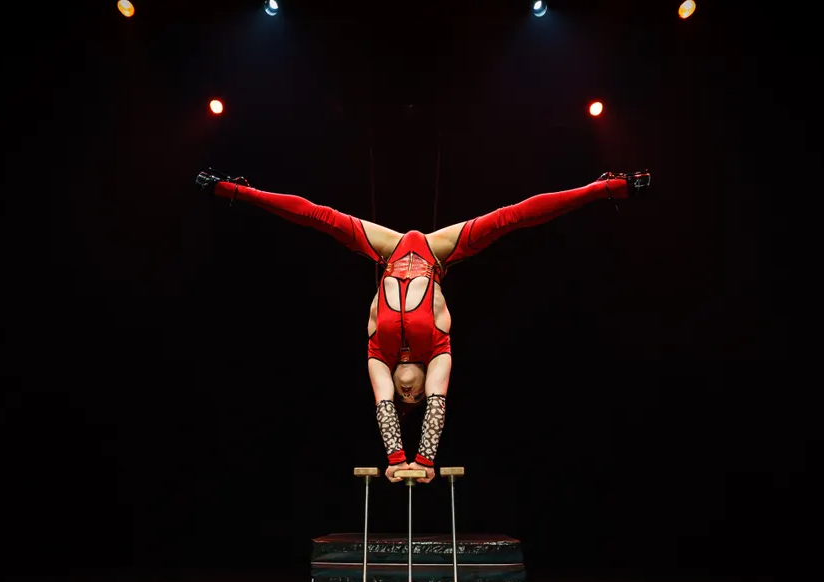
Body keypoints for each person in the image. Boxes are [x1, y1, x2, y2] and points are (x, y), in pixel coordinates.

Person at [196, 167, 651, 482]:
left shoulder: (378, 357)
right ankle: (604, 189)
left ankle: (236, 191)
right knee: (511, 218)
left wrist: (396, 458)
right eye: (413, 396)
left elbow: (383, 406)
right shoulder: (439, 353)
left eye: (404, 396)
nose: (408, 393)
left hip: (389, 250)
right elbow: (437, 403)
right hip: (436, 252)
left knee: (321, 217)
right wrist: (424, 461)